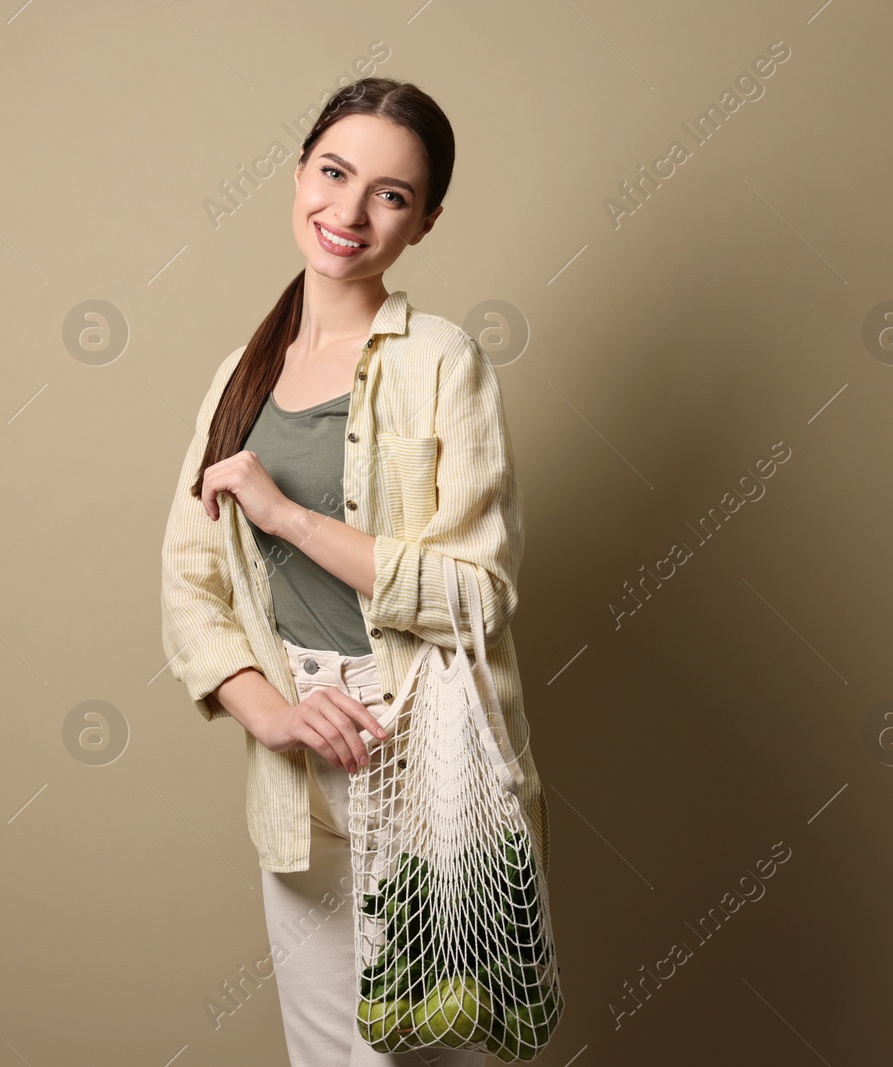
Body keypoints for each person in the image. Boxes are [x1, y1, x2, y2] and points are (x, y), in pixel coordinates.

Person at [160, 76, 547, 1066]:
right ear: (298, 173)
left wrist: (288, 514)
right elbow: (190, 586)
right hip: (300, 768)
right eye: (333, 172)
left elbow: (479, 590)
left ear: (423, 222)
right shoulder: (237, 376)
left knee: (451, 1051)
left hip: (429, 753)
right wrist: (272, 714)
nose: (349, 211)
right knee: (331, 1057)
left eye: (390, 194)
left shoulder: (442, 362)